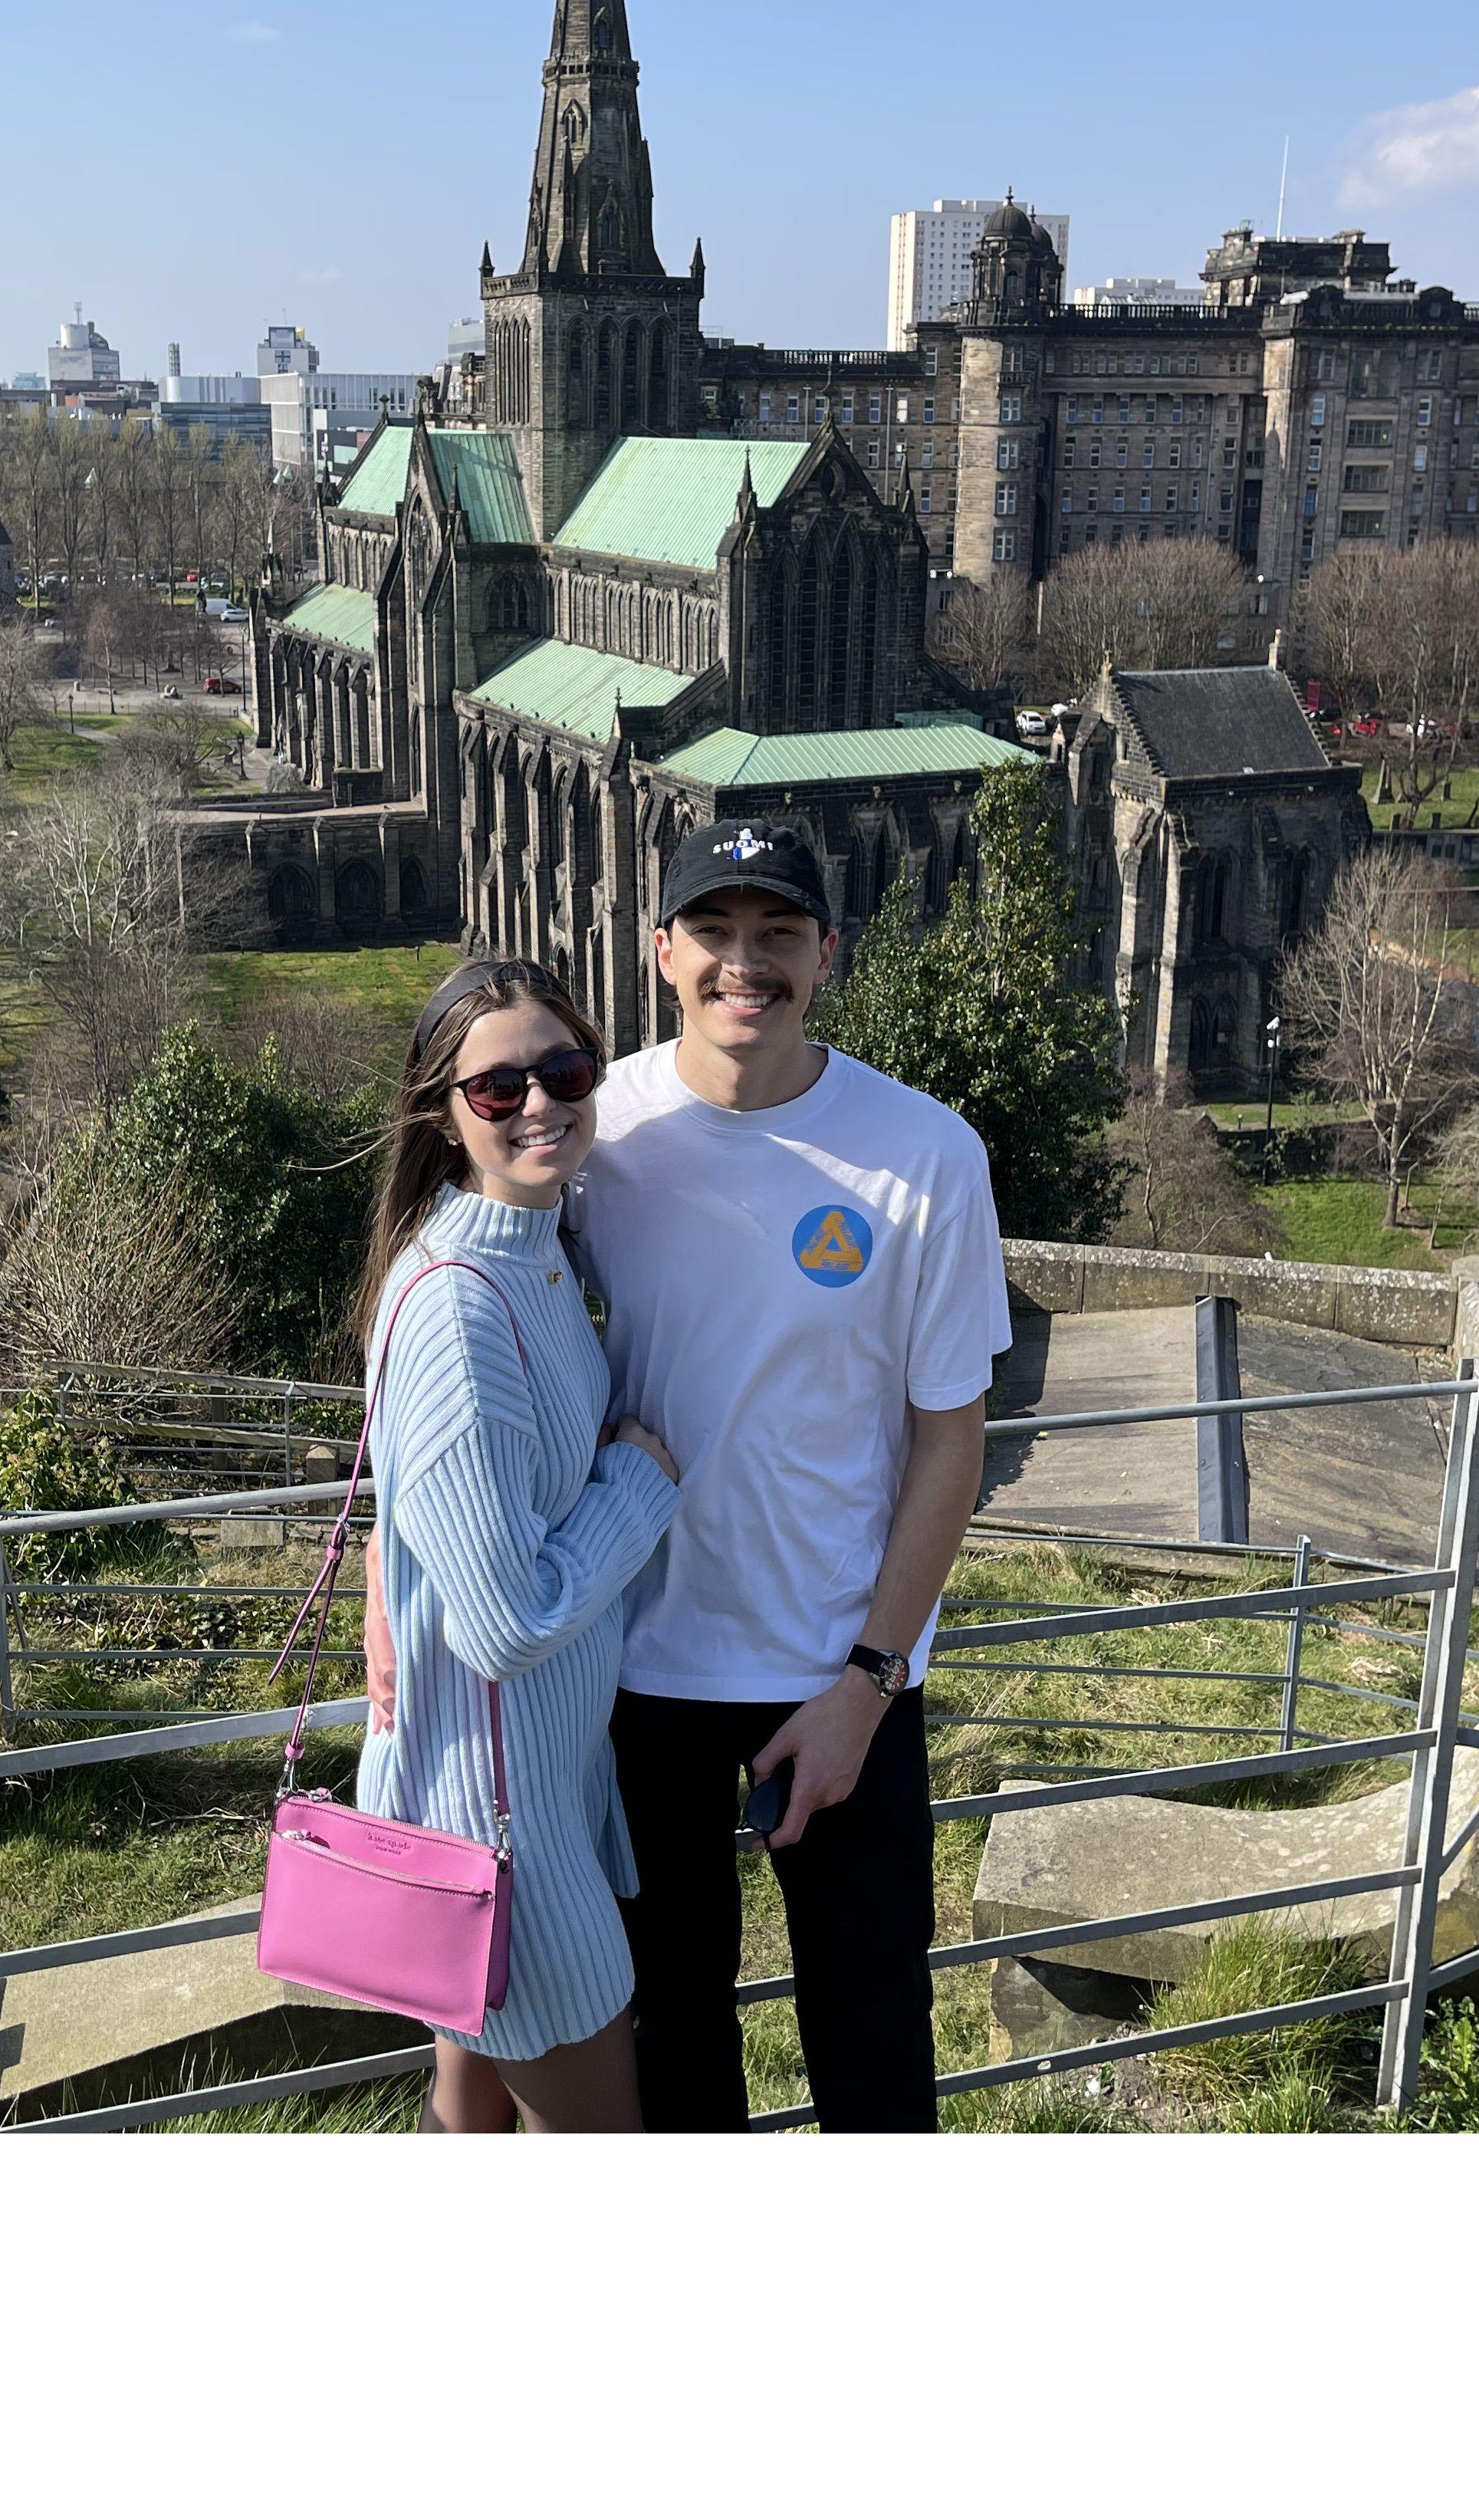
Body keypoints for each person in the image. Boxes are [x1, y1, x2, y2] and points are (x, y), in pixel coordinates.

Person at [577, 818, 1012, 2133]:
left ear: (827, 953)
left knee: (875, 2048)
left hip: (840, 1676)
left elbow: (952, 1438)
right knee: (677, 2051)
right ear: (662, 952)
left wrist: (868, 1685)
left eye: (777, 935)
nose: (742, 965)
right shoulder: (595, 1141)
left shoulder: (928, 1154)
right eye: (714, 932)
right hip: (643, 1680)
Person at [354, 956, 682, 2133]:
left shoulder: (528, 1246)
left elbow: (442, 1501)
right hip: (501, 1832)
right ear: (445, 1114)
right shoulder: (457, 1302)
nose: (540, 1102)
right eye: (498, 1090)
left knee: (474, 2117)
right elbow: (508, 1619)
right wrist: (640, 1487)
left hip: (521, 1785)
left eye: (565, 1070)